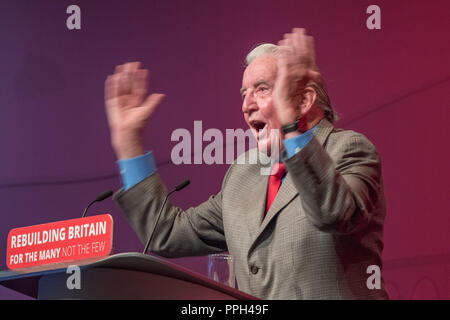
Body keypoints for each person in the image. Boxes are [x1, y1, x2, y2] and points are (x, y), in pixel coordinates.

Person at [104, 28, 388, 299]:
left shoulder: (349, 149)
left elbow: (334, 213)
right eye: (243, 94)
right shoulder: (244, 174)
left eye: (262, 89)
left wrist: (290, 125)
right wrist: (128, 143)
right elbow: (165, 234)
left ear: (303, 100)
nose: (246, 105)